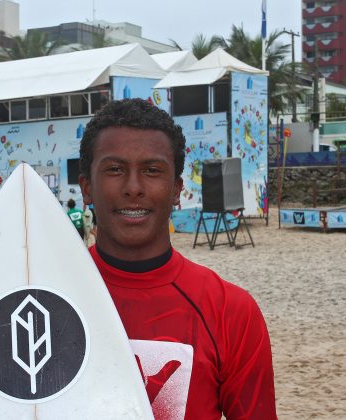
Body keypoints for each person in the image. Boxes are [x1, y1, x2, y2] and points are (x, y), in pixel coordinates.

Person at [78, 98, 276, 419]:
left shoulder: (231, 313)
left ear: (176, 190)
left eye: (152, 170)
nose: (133, 187)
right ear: (87, 187)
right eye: (115, 169)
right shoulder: (43, 296)